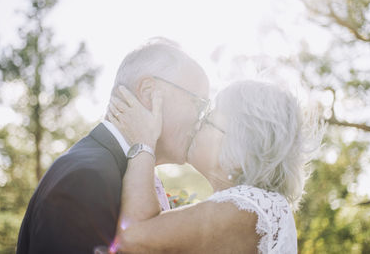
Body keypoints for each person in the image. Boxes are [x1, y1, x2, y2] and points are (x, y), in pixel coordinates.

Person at [16, 38, 210, 253]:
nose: (200, 120)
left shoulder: (122, 170)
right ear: (148, 93)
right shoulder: (86, 179)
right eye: (197, 103)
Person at [109, 80, 324, 253]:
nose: (196, 124)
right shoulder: (250, 207)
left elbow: (132, 240)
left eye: (208, 120)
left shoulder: (250, 207)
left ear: (241, 147)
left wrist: (143, 142)